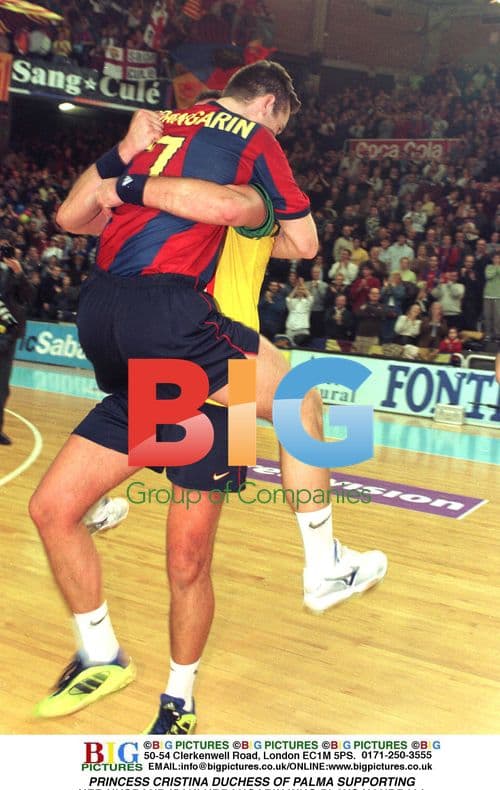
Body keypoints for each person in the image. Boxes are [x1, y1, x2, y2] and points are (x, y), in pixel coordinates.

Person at [30, 64, 387, 732]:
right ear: (270, 104)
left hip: (198, 354)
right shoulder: (226, 174)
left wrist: (131, 176)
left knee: (187, 554)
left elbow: (85, 213)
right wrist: (142, 181)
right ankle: (322, 565)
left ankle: (181, 695)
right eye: (282, 121)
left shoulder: (200, 175)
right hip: (176, 343)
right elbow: (300, 239)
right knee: (299, 402)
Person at [0, 243, 35, 445]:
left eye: (8, 249)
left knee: (2, 389)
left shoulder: (18, 273)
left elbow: (30, 296)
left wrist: (19, 272)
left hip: (8, 336)